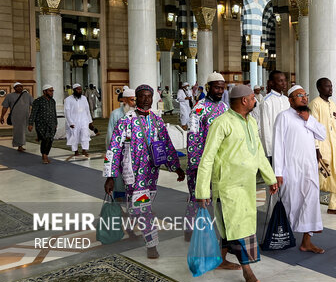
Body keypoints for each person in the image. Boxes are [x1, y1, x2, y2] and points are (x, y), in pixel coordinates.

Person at [195, 85, 278, 282]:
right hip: (228, 186)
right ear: (243, 101)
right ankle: (247, 270)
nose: (254, 101)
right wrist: (202, 191)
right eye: (252, 98)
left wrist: (270, 178)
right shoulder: (221, 123)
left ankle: (221, 260)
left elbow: (258, 152)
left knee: (234, 226)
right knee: (237, 227)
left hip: (248, 185)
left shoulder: (251, 122)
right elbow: (207, 158)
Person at [104, 84, 185, 259]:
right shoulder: (126, 120)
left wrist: (176, 167)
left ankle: (130, 220)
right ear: (137, 99)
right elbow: (114, 148)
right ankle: (152, 244)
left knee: (139, 207)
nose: (147, 99)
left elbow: (166, 145)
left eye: (149, 96)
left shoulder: (157, 120)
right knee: (144, 208)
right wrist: (110, 176)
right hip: (132, 174)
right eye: (143, 96)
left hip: (151, 174)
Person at [273, 85, 327, 253]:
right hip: (291, 170)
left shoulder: (308, 117)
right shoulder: (283, 117)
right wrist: (278, 173)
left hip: (309, 170)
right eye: (299, 95)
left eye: (305, 95)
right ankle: (283, 237)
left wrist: (308, 120)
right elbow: (277, 147)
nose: (304, 98)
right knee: (291, 204)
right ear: (290, 100)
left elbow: (322, 135)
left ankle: (306, 241)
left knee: (310, 203)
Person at [185, 72, 230, 252]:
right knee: (197, 199)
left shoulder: (225, 108)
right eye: (217, 87)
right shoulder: (198, 109)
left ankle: (220, 232)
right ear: (209, 87)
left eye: (222, 87)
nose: (220, 91)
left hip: (220, 163)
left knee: (219, 199)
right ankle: (191, 230)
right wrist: (197, 165)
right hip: (201, 163)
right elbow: (193, 137)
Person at [309, 78, 336, 215]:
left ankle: (333, 206)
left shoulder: (332, 104)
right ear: (319, 88)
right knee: (322, 176)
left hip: (334, 146)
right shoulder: (315, 104)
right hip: (322, 147)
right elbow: (312, 128)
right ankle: (310, 207)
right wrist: (316, 148)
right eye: (327, 86)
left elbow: (333, 126)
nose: (330, 89)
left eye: (331, 86)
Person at [260, 70, 289, 161]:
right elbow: (265, 127)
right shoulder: (266, 101)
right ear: (272, 83)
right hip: (274, 147)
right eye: (280, 81)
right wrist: (269, 151)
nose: (284, 83)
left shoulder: (287, 100)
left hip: (288, 144)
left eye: (285, 80)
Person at [27, 84, 57, 164]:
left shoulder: (52, 101)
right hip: (41, 124)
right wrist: (30, 123)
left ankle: (46, 154)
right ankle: (44, 155)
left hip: (51, 124)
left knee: (50, 140)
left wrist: (56, 123)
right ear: (44, 91)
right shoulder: (38, 101)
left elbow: (54, 112)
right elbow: (33, 113)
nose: (52, 92)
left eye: (52, 91)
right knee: (45, 139)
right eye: (50, 91)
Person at [0, 82, 33, 152]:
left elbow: (34, 104)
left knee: (23, 131)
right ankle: (19, 145)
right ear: (14, 88)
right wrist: (2, 116)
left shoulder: (27, 95)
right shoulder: (9, 96)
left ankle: (21, 144)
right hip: (16, 117)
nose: (20, 88)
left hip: (26, 116)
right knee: (18, 131)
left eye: (21, 86)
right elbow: (5, 107)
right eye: (17, 86)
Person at [64, 83, 93, 158]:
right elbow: (67, 112)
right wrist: (70, 122)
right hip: (74, 121)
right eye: (78, 89)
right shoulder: (68, 99)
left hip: (84, 120)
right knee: (74, 135)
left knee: (85, 134)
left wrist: (90, 121)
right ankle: (75, 151)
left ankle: (84, 150)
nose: (80, 90)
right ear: (74, 90)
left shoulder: (84, 98)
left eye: (80, 89)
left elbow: (87, 110)